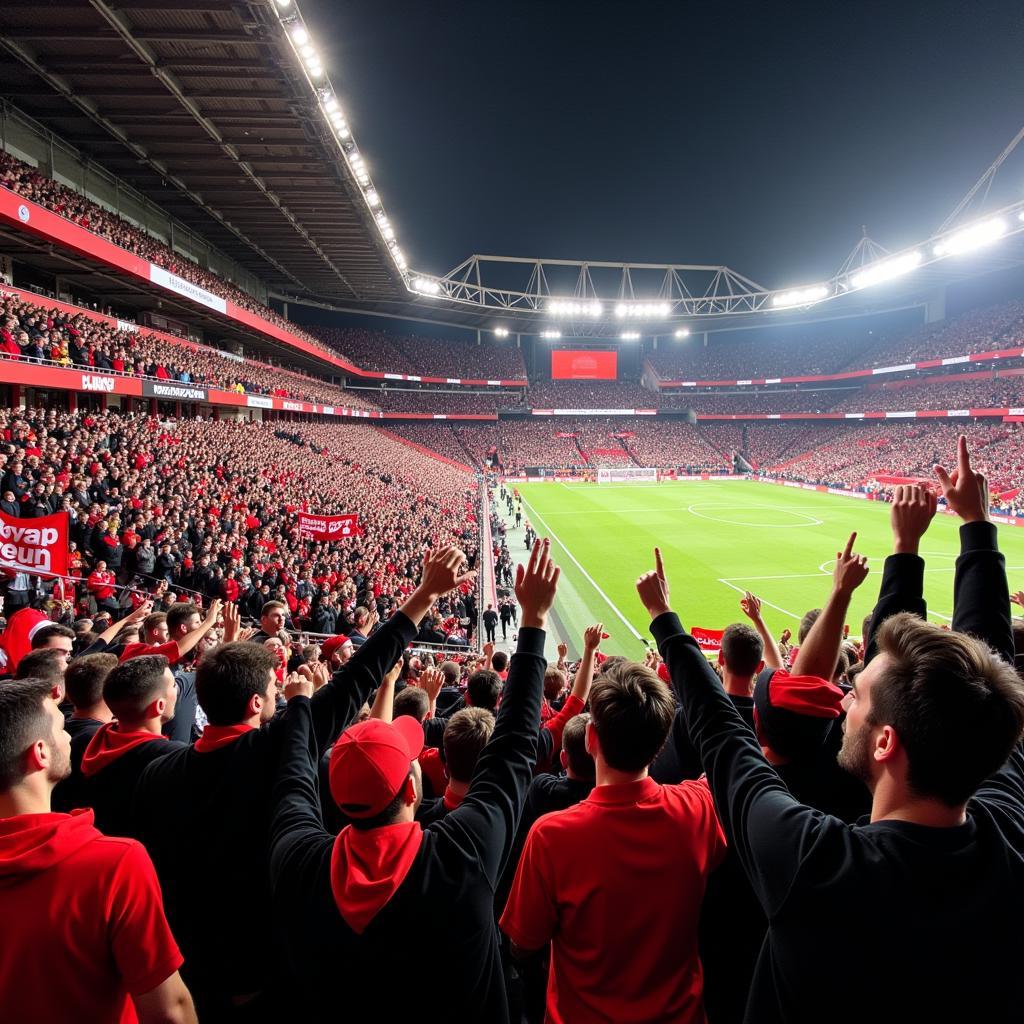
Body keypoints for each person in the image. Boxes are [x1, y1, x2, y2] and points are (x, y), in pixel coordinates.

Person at [637, 436, 1024, 1023]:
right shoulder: (1006, 827)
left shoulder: (817, 866)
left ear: (886, 740)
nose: (843, 700)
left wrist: (667, 624)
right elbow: (984, 675)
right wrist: (948, 538)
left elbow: (725, 738)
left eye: (857, 696)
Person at [131, 547, 477, 1020]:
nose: (282, 694)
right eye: (275, 690)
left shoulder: (156, 772)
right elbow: (359, 676)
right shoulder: (278, 748)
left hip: (196, 971)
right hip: (274, 967)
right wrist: (422, 596)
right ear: (256, 704)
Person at [267, 539, 559, 1021]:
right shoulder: (459, 853)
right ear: (410, 788)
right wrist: (530, 621)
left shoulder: (297, 860)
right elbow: (511, 749)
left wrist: (299, 707)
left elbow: (294, 769)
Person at [501, 653, 726, 1023]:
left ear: (590, 737)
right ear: (660, 744)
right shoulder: (698, 807)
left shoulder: (551, 837)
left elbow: (523, 944)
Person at [0, 677, 197, 1023]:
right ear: (40, 753)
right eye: (61, 727)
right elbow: (171, 1011)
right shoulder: (114, 864)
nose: (69, 736)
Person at [79, 655, 185, 837]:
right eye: (174, 685)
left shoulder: (89, 741)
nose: (177, 690)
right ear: (159, 706)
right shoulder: (173, 758)